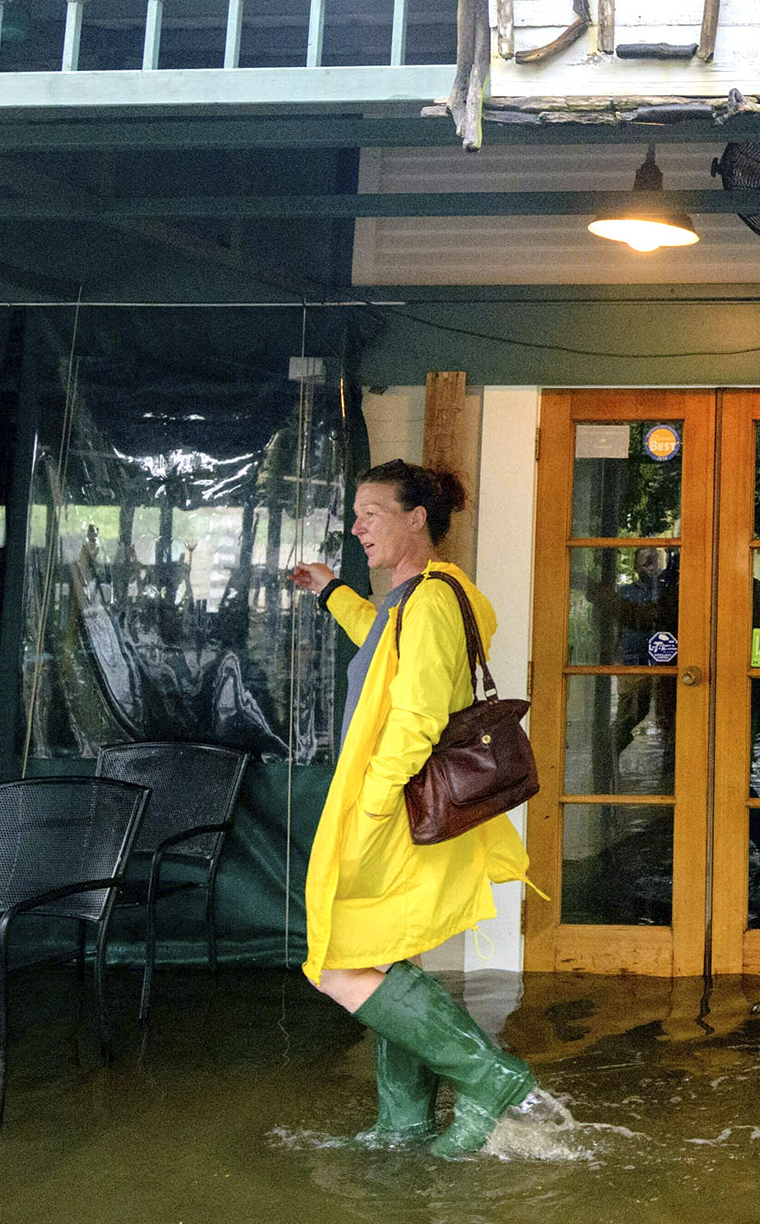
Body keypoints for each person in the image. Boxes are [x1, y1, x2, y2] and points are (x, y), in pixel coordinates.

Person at [289, 460, 537, 1158]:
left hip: (396, 805)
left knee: (336, 960)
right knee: (384, 954)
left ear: (415, 517)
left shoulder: (428, 599)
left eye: (371, 512)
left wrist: (371, 804)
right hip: (401, 803)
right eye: (356, 513)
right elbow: (381, 641)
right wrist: (333, 590)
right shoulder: (421, 598)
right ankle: (405, 1123)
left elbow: (419, 715)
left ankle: (491, 1078)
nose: (357, 525)